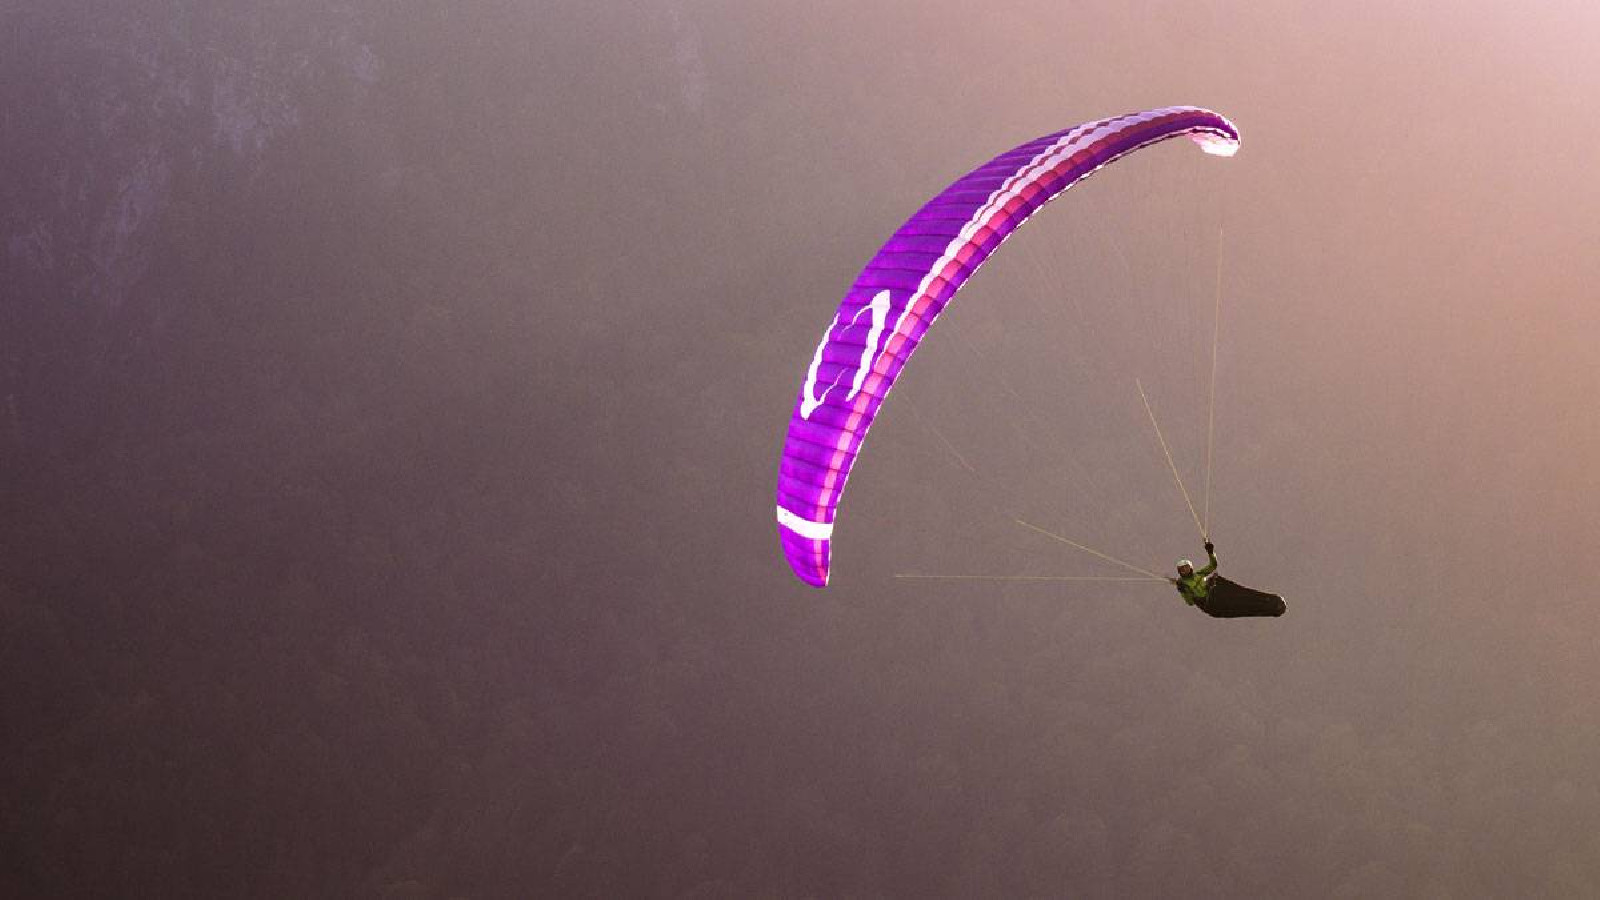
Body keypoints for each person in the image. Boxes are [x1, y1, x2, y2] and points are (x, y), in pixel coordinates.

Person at [1171, 540, 1287, 618]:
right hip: (1210, 603)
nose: (1184, 571)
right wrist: (1183, 592)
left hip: (1217, 592)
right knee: (1240, 607)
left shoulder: (1199, 574)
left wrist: (1210, 552)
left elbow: (1213, 565)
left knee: (1242, 595)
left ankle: (1269, 602)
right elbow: (1190, 602)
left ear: (1191, 568)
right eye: (1182, 569)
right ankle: (1267, 607)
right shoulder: (1183, 585)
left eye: (1186, 568)